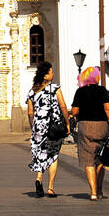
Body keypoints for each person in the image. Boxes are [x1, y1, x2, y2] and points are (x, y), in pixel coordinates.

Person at [70, 66, 109, 200]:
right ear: (96, 77)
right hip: (101, 125)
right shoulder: (102, 91)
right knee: (101, 157)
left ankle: (93, 192)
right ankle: (100, 188)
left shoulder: (80, 91)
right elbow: (108, 108)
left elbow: (74, 111)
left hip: (85, 126)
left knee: (88, 159)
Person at [26, 60, 69, 198]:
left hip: (39, 126)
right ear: (45, 76)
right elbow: (62, 105)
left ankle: (39, 178)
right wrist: (67, 122)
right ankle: (50, 187)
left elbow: (30, 112)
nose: (53, 74)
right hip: (53, 126)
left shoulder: (32, 91)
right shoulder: (54, 88)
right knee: (53, 155)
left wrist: (33, 126)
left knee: (40, 153)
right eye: (51, 72)